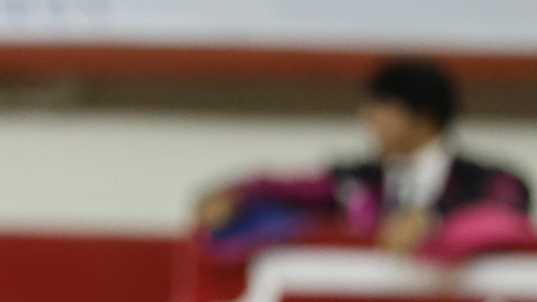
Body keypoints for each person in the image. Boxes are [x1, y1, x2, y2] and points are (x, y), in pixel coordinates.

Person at [198, 61, 532, 258]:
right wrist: (236, 195)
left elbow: (509, 203)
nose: (368, 119)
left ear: (423, 117)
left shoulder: (484, 180)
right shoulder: (358, 180)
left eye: (382, 109)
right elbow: (291, 188)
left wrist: (433, 220)